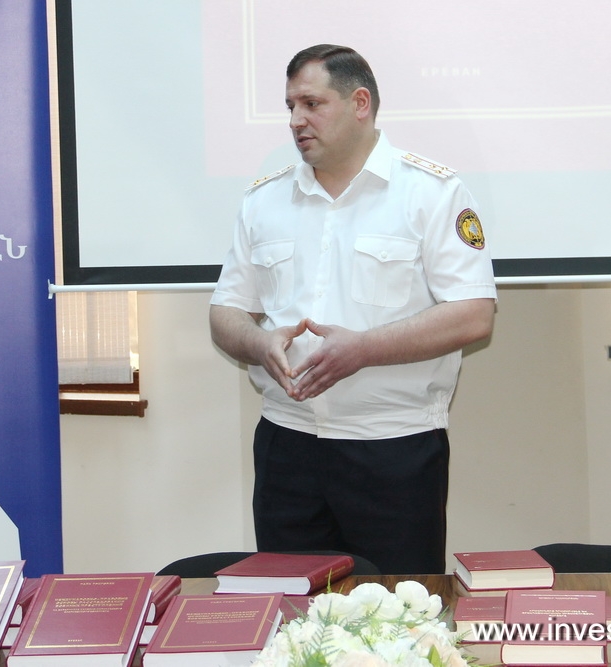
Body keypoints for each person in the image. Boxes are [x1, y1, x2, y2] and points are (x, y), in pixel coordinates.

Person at [209, 44, 496, 574]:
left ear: (360, 103)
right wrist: (258, 342)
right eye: (290, 106)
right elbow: (225, 312)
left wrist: (362, 350)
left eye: (311, 104)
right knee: (291, 611)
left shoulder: (432, 192)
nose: (295, 120)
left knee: (397, 612)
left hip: (393, 446)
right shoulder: (264, 200)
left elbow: (474, 313)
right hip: (287, 445)